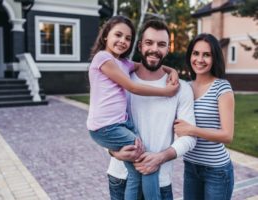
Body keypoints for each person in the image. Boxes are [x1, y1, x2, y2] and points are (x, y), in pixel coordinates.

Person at [87, 16, 179, 200]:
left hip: (119, 125)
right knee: (147, 164)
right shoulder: (102, 58)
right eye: (118, 35)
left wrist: (173, 71)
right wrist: (165, 92)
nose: (122, 41)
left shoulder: (123, 63)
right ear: (106, 36)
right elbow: (132, 87)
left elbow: (145, 65)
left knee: (137, 171)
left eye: (128, 38)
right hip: (107, 126)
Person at [107, 19, 197, 200]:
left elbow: (189, 137)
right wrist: (113, 151)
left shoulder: (182, 88)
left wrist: (161, 157)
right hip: (121, 177)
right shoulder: (121, 80)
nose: (154, 49)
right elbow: (104, 124)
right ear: (140, 46)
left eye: (161, 44)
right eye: (149, 43)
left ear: (167, 49)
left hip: (160, 179)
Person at [174, 33, 235, 200]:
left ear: (214, 58)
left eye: (206, 55)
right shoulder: (184, 87)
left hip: (216, 171)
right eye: (196, 53)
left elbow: (227, 135)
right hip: (191, 166)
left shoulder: (221, 87)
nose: (200, 59)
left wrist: (191, 130)